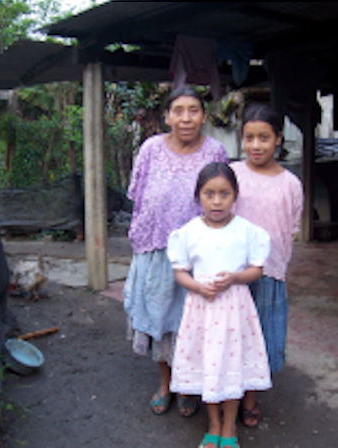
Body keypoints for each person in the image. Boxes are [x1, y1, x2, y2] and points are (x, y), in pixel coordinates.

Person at [123, 86, 228, 417]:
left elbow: (222, 197)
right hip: (156, 252)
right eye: (178, 110)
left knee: (192, 325)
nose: (186, 118)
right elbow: (138, 197)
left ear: (204, 116)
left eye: (194, 110)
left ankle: (189, 387)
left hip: (199, 256)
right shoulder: (151, 149)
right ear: (167, 116)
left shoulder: (215, 151)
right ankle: (166, 384)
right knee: (161, 323)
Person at [167, 162, 272, 448]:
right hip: (202, 310)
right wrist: (198, 286)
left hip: (235, 311)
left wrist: (236, 277)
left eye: (224, 194)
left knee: (232, 364)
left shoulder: (247, 232)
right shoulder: (187, 233)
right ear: (198, 196)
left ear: (235, 195)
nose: (216, 201)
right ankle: (213, 425)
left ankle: (229, 428)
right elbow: (180, 273)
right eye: (209, 193)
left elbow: (257, 270)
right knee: (208, 368)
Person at [230, 103, 304, 427]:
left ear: (278, 139)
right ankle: (221, 393)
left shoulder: (291, 184)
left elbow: (289, 229)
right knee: (231, 335)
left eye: (264, 137)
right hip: (232, 272)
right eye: (249, 137)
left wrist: (278, 265)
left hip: (270, 272)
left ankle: (250, 398)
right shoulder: (232, 173)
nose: (256, 145)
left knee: (259, 335)